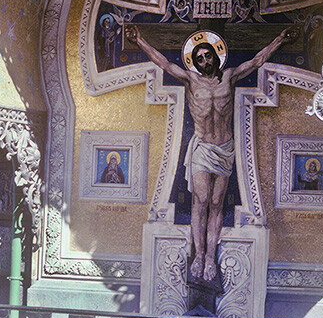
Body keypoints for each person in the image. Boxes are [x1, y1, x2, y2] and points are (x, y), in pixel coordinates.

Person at [125, 23, 298, 282]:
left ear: (216, 56)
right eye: (200, 58)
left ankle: (209, 258)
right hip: (202, 148)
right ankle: (198, 255)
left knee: (217, 203)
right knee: (201, 200)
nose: (205, 61)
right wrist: (139, 40)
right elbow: (163, 63)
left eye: (208, 55)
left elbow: (257, 61)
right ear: (195, 62)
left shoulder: (229, 76)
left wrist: (279, 40)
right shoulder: (190, 79)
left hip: (225, 149)